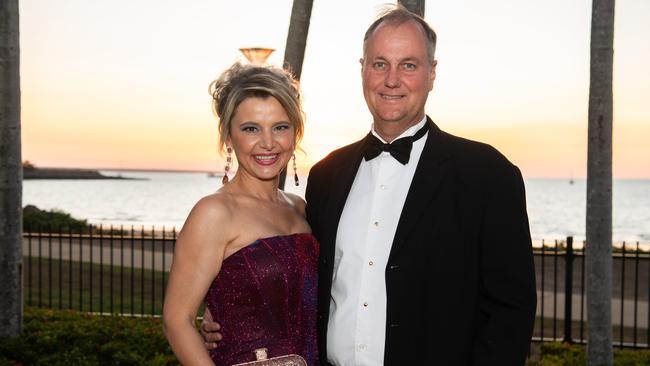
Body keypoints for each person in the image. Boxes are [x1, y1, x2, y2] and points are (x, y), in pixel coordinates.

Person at [205, 5, 536, 365]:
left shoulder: (487, 174)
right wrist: (236, 312)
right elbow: (304, 280)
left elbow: (511, 312)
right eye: (380, 64)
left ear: (432, 73)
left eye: (408, 65)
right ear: (362, 69)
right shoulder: (328, 175)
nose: (391, 80)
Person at [163, 62, 319, 366]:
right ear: (229, 138)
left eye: (280, 127)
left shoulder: (299, 208)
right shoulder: (214, 213)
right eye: (251, 129)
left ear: (295, 134)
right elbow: (176, 322)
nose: (268, 143)